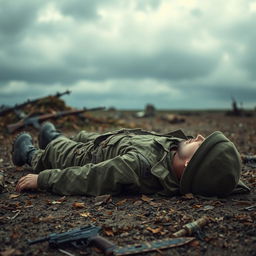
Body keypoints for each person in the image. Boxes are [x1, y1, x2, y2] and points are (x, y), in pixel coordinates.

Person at [12, 122, 250, 197]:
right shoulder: (177, 150)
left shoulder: (139, 168)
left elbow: (91, 177)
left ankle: (30, 153)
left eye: (202, 143)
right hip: (109, 140)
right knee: (82, 136)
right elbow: (223, 177)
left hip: (86, 157)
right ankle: (54, 137)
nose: (198, 136)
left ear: (190, 165)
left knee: (57, 150)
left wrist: (43, 179)